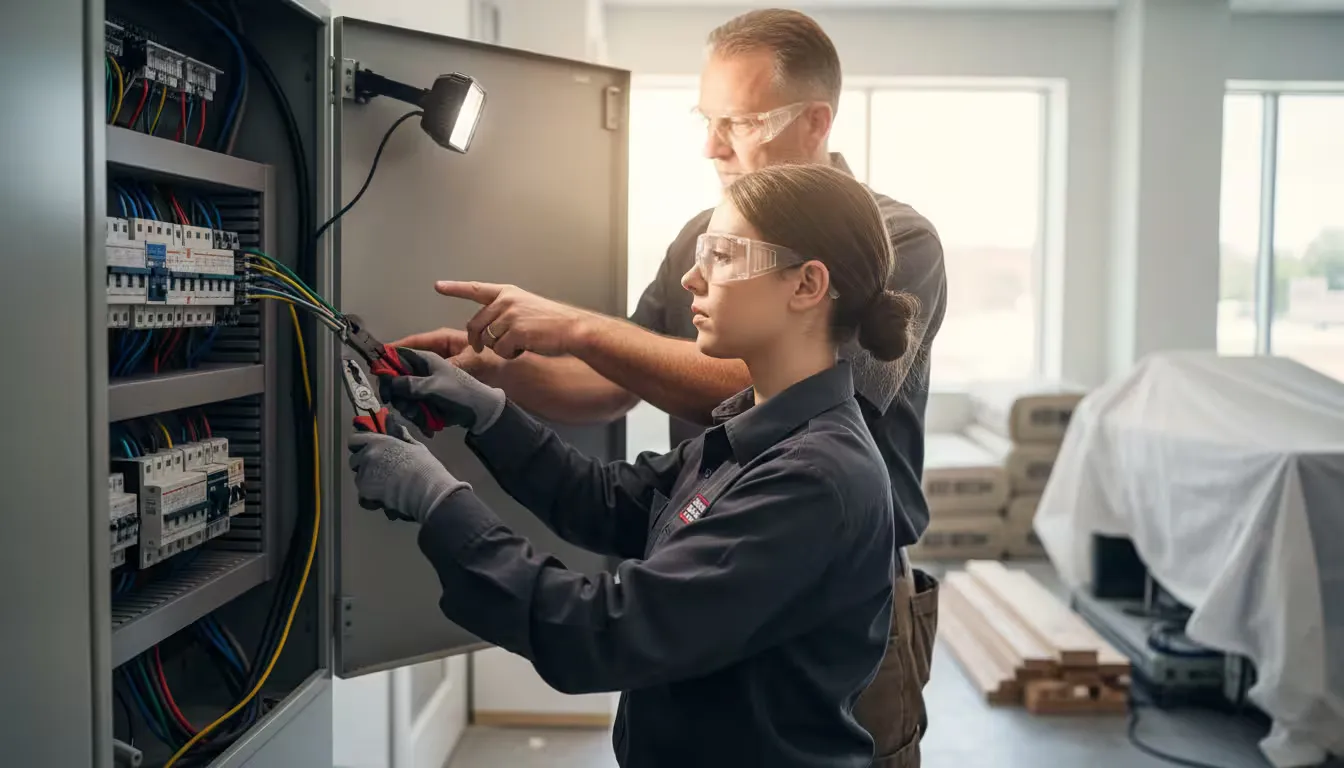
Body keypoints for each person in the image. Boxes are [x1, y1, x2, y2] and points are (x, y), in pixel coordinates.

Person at [398, 9, 945, 764]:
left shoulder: (886, 245)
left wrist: (576, 329)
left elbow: (739, 376)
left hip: (828, 580)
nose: (713, 145)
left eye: (740, 121)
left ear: (816, 121)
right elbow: (614, 402)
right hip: (713, 538)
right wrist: (494, 387)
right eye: (706, 118)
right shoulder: (741, 431)